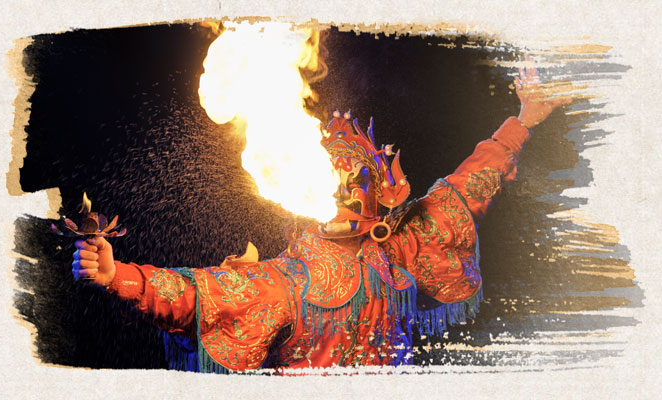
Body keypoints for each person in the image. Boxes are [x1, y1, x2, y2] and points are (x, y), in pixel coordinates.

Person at [72, 62, 569, 372]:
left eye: (355, 180)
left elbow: (466, 185)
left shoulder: (399, 249)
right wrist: (118, 276)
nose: (342, 189)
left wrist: (524, 120)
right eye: (334, 177)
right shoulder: (287, 282)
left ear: (380, 194)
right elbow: (198, 295)